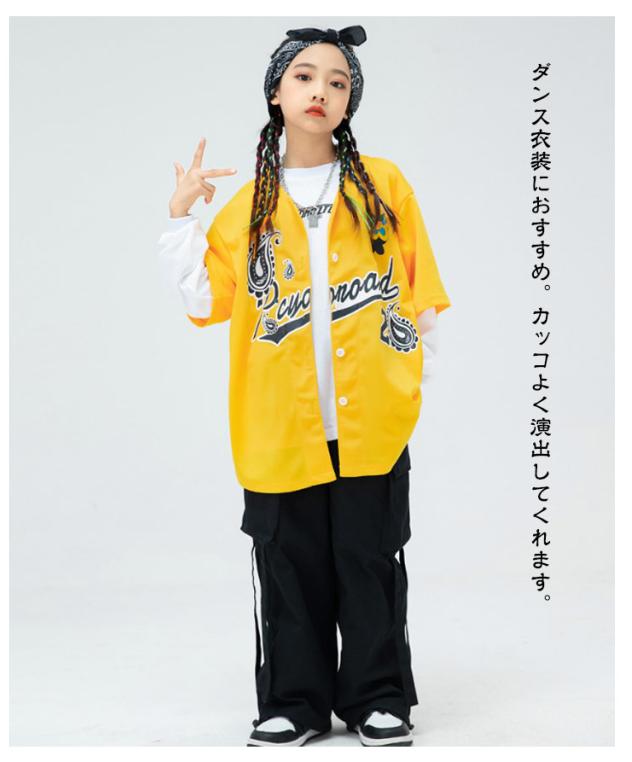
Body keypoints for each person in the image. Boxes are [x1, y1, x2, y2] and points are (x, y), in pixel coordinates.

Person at [157, 24, 452, 747]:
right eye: (305, 77)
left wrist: (411, 379)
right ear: (276, 92)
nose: (321, 90)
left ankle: (378, 694)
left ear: (350, 103)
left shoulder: (384, 187)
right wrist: (181, 216)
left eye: (338, 81)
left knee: (370, 560)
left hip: (371, 421)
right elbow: (207, 301)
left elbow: (420, 293)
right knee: (288, 566)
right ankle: (294, 699)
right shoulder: (248, 208)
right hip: (279, 426)